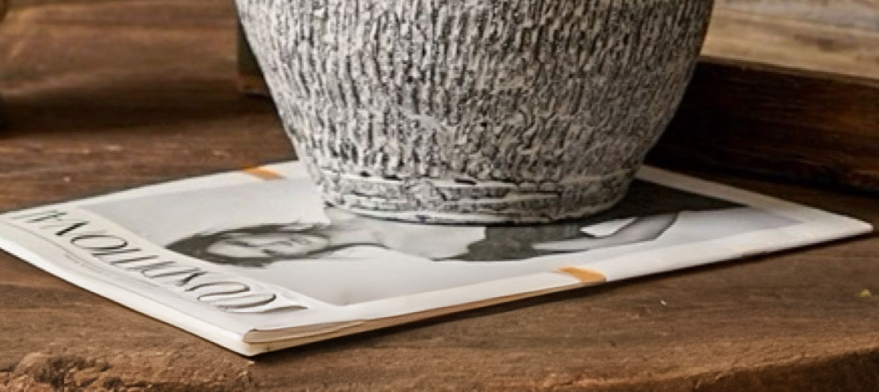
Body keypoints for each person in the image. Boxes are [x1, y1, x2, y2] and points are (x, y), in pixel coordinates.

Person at [162, 179, 734, 270]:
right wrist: (682, 205)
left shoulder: (342, 197)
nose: (275, 244)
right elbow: (624, 240)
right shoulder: (437, 260)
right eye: (263, 255)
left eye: (244, 239)